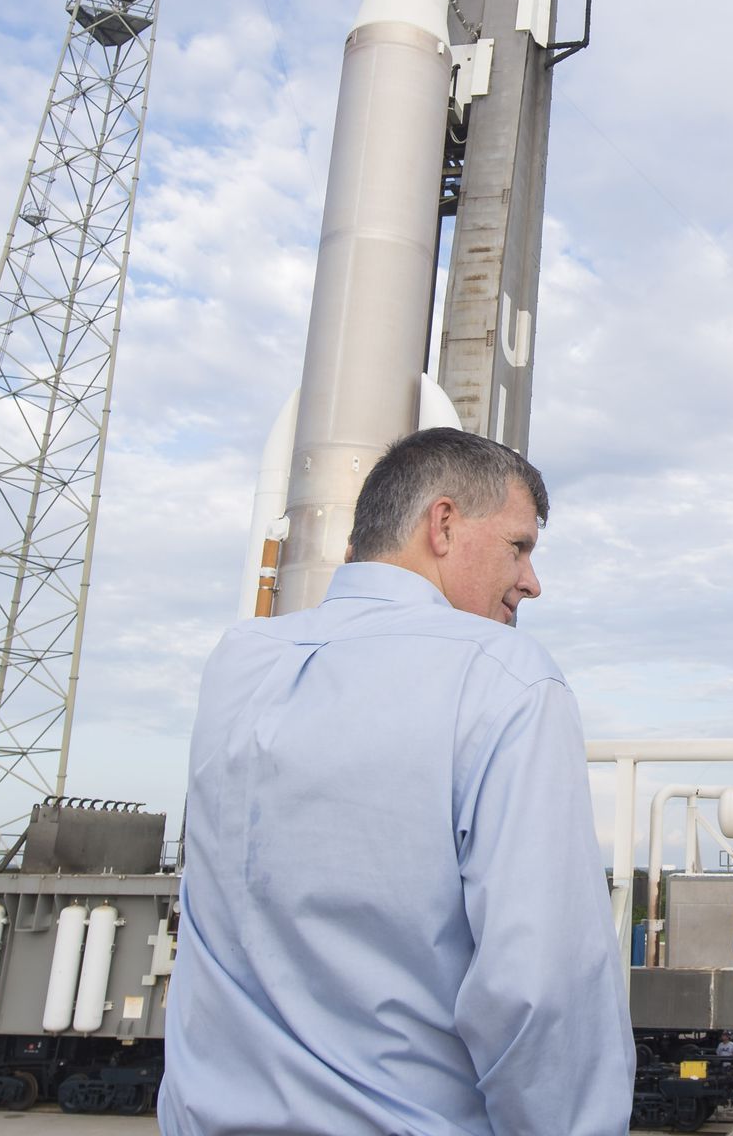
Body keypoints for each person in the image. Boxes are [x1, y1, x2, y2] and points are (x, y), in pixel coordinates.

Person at [159, 428, 633, 1136]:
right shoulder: (505, 676)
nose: (531, 581)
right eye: (519, 547)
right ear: (442, 524)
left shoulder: (239, 663)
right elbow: (542, 992)